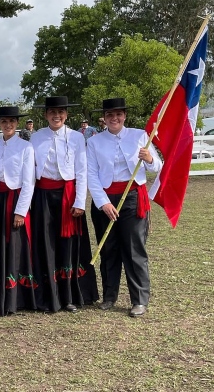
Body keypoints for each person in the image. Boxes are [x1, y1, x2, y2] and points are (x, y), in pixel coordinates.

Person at [87, 98, 162, 317]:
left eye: (118, 114)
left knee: (133, 249)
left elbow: (157, 166)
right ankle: (109, 296)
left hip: (132, 198)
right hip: (105, 200)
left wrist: (149, 158)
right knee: (108, 248)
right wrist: (103, 203)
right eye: (110, 115)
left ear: (124, 116)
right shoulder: (94, 142)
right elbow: (91, 174)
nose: (114, 118)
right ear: (104, 118)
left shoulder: (139, 135)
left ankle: (139, 299)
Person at [30, 96, 98, 313]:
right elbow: (30, 170)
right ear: (45, 114)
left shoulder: (77, 137)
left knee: (67, 245)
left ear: (66, 115)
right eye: (52, 112)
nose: (56, 116)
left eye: (60, 112)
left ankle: (69, 296)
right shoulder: (36, 138)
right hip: (42, 196)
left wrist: (80, 201)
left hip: (68, 196)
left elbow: (81, 170)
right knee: (46, 243)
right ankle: (48, 296)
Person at [0, 107, 37, 316]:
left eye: (12, 121)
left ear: (17, 123)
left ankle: (14, 298)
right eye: (4, 121)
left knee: (14, 246)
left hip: (14, 199)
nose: (8, 125)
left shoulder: (26, 147)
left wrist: (21, 211)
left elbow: (28, 181)